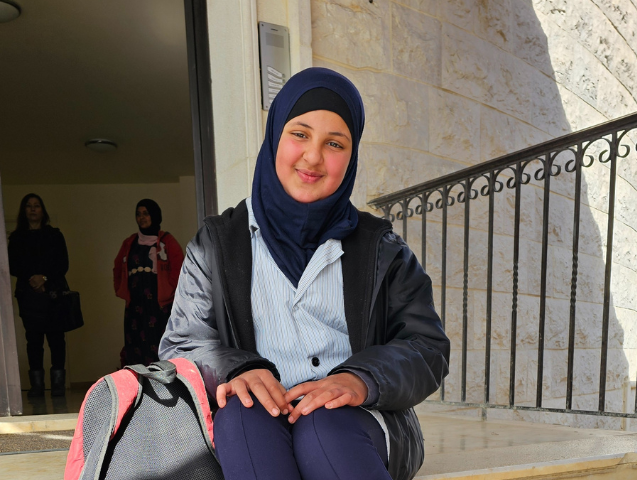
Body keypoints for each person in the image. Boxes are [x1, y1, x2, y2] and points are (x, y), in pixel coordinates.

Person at [159, 68, 450, 480]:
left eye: (334, 143)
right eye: (300, 134)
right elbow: (182, 343)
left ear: (351, 157)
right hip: (258, 414)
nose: (313, 157)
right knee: (242, 418)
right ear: (275, 136)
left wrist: (361, 379)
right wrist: (237, 369)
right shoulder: (216, 242)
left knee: (324, 427)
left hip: (361, 420)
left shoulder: (383, 248)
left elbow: (427, 346)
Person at [8, 193, 69, 397]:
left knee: (56, 339)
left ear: (43, 210)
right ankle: (37, 387)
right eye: (29, 206)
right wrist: (32, 279)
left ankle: (58, 387)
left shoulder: (54, 235)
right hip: (28, 295)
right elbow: (13, 265)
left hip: (53, 294)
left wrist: (44, 278)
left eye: (36, 205)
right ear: (24, 211)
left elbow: (62, 264)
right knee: (33, 341)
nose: (33, 209)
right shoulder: (16, 238)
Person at [113, 199, 184, 367]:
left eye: (145, 213)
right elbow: (117, 268)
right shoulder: (129, 242)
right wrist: (120, 290)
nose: (141, 218)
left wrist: (169, 291)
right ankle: (139, 388)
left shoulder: (167, 241)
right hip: (135, 307)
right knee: (135, 347)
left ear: (154, 215)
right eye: (138, 214)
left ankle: (162, 389)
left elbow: (180, 268)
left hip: (159, 306)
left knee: (159, 347)